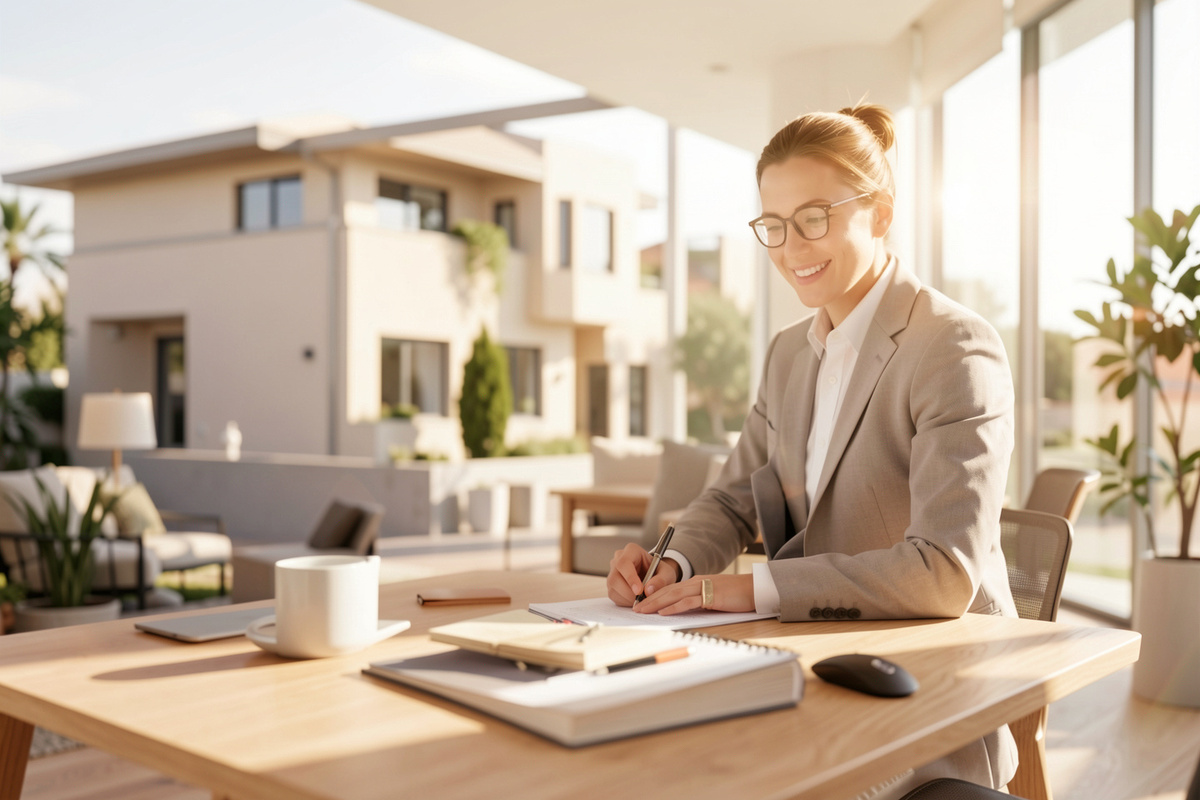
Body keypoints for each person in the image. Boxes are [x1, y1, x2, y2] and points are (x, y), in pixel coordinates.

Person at [606, 103, 1019, 793]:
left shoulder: (951, 345)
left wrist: (749, 588)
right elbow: (733, 497)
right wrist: (674, 566)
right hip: (810, 670)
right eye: (773, 225)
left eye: (815, 218)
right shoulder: (789, 353)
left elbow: (945, 572)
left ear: (880, 213)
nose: (792, 247)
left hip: (925, 699)